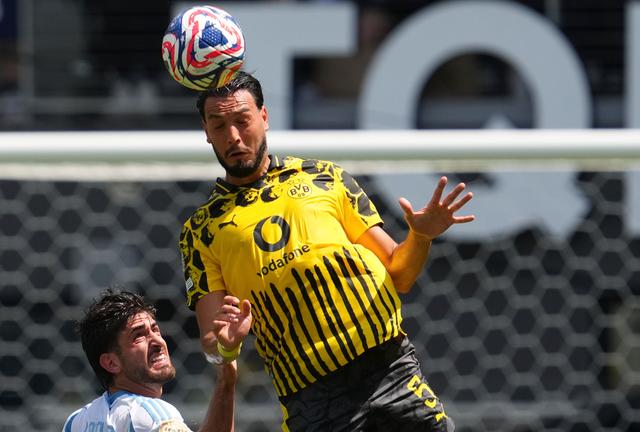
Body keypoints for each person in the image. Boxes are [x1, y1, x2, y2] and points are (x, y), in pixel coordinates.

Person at [178, 71, 474, 431]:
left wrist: (421, 238)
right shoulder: (202, 230)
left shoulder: (325, 177)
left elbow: (400, 274)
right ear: (206, 133)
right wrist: (225, 348)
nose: (234, 137)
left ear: (265, 117)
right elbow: (212, 341)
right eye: (219, 125)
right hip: (312, 398)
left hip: (390, 369)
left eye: (242, 120)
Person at [63, 288, 252, 432]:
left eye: (155, 329)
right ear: (111, 363)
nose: (157, 340)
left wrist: (226, 374)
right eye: (138, 336)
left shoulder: (76, 422)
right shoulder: (153, 415)